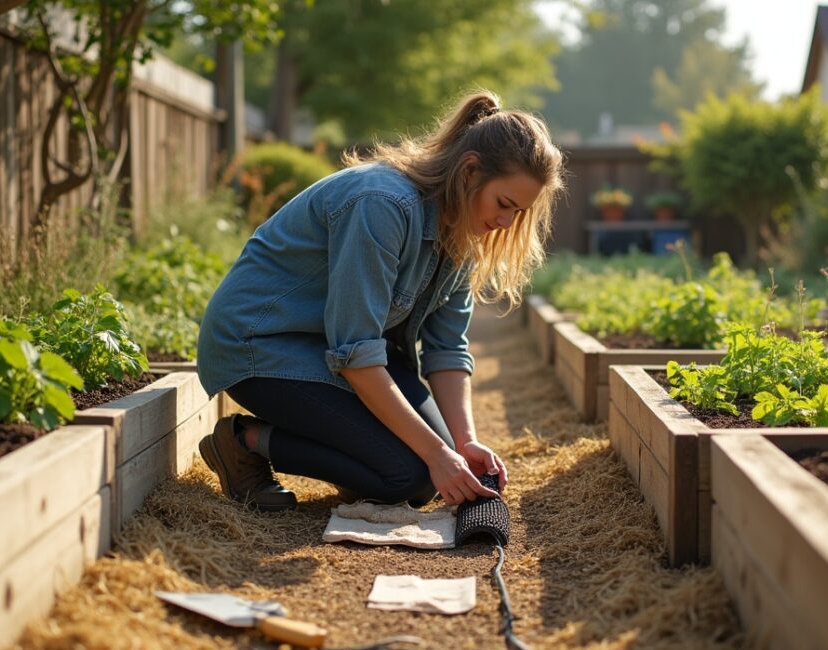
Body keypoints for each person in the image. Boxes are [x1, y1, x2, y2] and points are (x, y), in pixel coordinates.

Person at [195, 90, 564, 512]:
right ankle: (244, 442)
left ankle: (365, 461)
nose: (506, 222)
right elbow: (355, 352)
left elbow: (446, 349)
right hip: (260, 344)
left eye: (518, 213)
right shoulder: (381, 205)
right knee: (410, 473)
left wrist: (464, 444)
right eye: (504, 204)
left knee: (433, 474)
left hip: (327, 348)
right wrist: (435, 454)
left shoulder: (466, 230)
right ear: (469, 171)